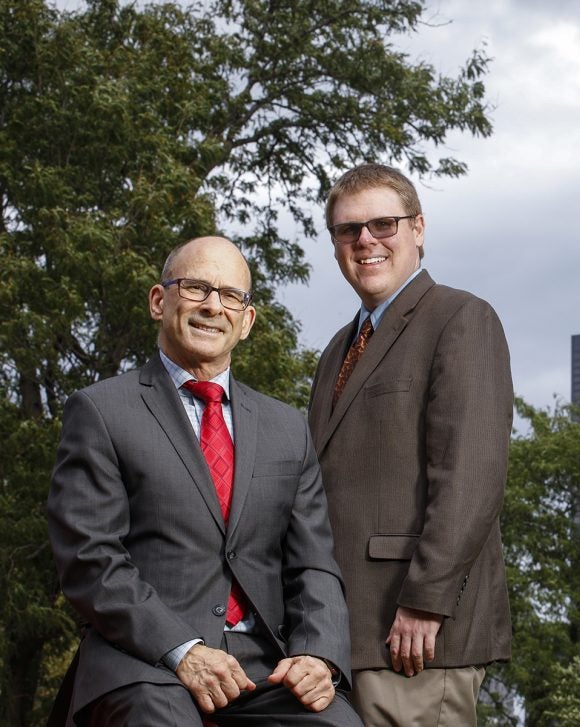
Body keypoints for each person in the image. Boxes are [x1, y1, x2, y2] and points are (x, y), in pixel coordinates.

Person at [47, 236, 362, 726]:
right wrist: (182, 649)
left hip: (263, 669)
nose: (213, 306)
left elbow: (314, 566)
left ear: (247, 320)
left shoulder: (287, 428)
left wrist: (318, 655)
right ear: (159, 300)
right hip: (144, 664)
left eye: (231, 295)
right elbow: (90, 558)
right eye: (196, 288)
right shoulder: (102, 411)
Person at [308, 164, 514, 725]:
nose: (365, 240)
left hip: (418, 637)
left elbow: (471, 478)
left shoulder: (461, 318)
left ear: (418, 228)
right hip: (342, 638)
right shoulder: (335, 350)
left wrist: (426, 601)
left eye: (383, 224)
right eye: (349, 230)